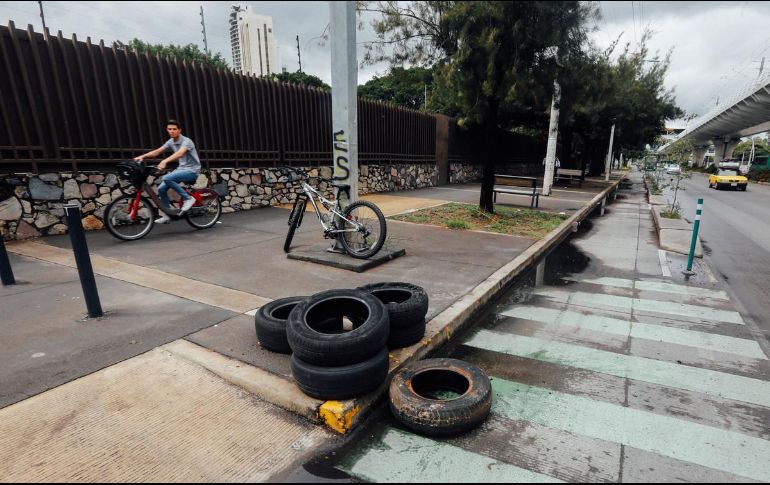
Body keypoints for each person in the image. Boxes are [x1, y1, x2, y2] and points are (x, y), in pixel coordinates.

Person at [134, 120, 201, 223]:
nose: (172, 131)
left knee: (166, 178)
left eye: (174, 129)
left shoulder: (187, 141)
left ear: (179, 130)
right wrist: (142, 156)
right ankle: (168, 214)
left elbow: (180, 153)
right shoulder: (171, 141)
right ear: (167, 130)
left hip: (192, 170)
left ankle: (188, 199)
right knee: (161, 189)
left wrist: (165, 161)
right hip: (181, 169)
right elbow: (157, 151)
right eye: (170, 129)